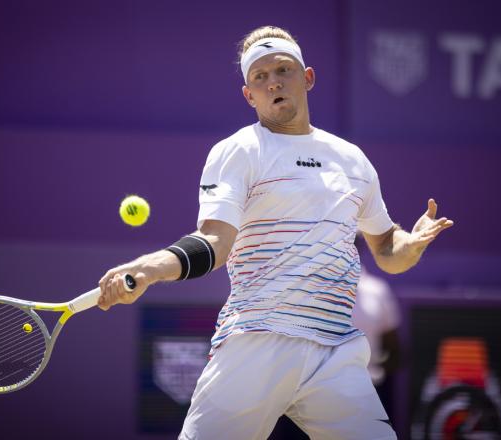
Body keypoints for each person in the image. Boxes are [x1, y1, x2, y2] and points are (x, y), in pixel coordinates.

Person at [97, 26, 453, 440]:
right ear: (249, 95)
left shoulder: (352, 160)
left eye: (283, 70)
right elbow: (215, 242)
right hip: (257, 342)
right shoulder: (239, 151)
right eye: (259, 78)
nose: (273, 83)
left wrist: (411, 242)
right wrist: (150, 268)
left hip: (335, 352)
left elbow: (388, 248)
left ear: (308, 78)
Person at [352, 236, 402, 420]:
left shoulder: (378, 291)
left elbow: (395, 352)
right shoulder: (311, 290)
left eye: (352, 242)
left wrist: (370, 374)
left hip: (367, 395)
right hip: (316, 397)